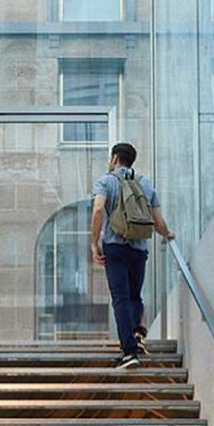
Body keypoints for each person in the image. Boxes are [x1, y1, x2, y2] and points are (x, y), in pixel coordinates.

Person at [90, 143, 174, 369]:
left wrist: (93, 243)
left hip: (115, 246)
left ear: (115, 158)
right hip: (139, 249)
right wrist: (168, 234)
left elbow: (98, 210)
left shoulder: (106, 181)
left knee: (120, 298)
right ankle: (138, 335)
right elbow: (157, 220)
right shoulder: (144, 183)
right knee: (135, 295)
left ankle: (129, 352)